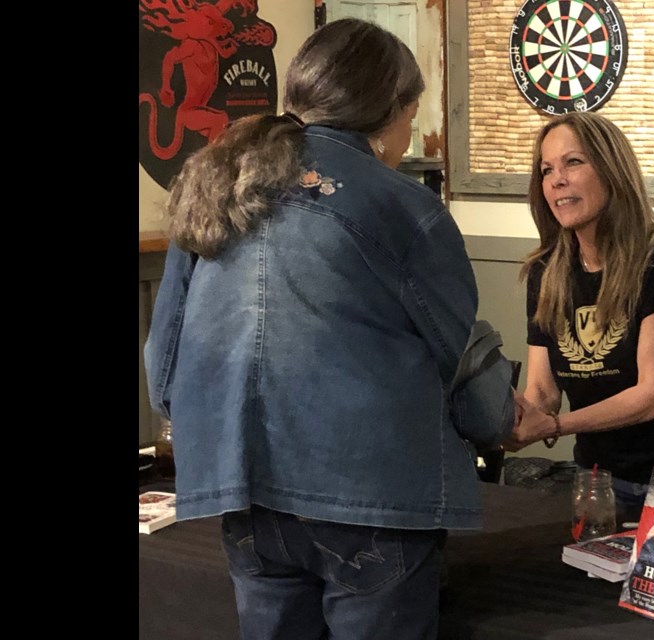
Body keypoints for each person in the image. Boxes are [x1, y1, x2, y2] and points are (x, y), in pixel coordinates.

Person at [144, 18, 517, 640]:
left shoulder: (214, 188)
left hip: (244, 494)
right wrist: (501, 420)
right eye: (410, 117)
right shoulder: (406, 207)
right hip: (372, 498)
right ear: (392, 111)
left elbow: (164, 372)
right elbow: (460, 361)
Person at [505, 111, 654, 528]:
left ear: (612, 170)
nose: (557, 179)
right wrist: (513, 420)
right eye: (546, 169)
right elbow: (542, 389)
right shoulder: (546, 271)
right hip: (600, 478)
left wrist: (554, 426)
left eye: (573, 162)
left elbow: (653, 395)